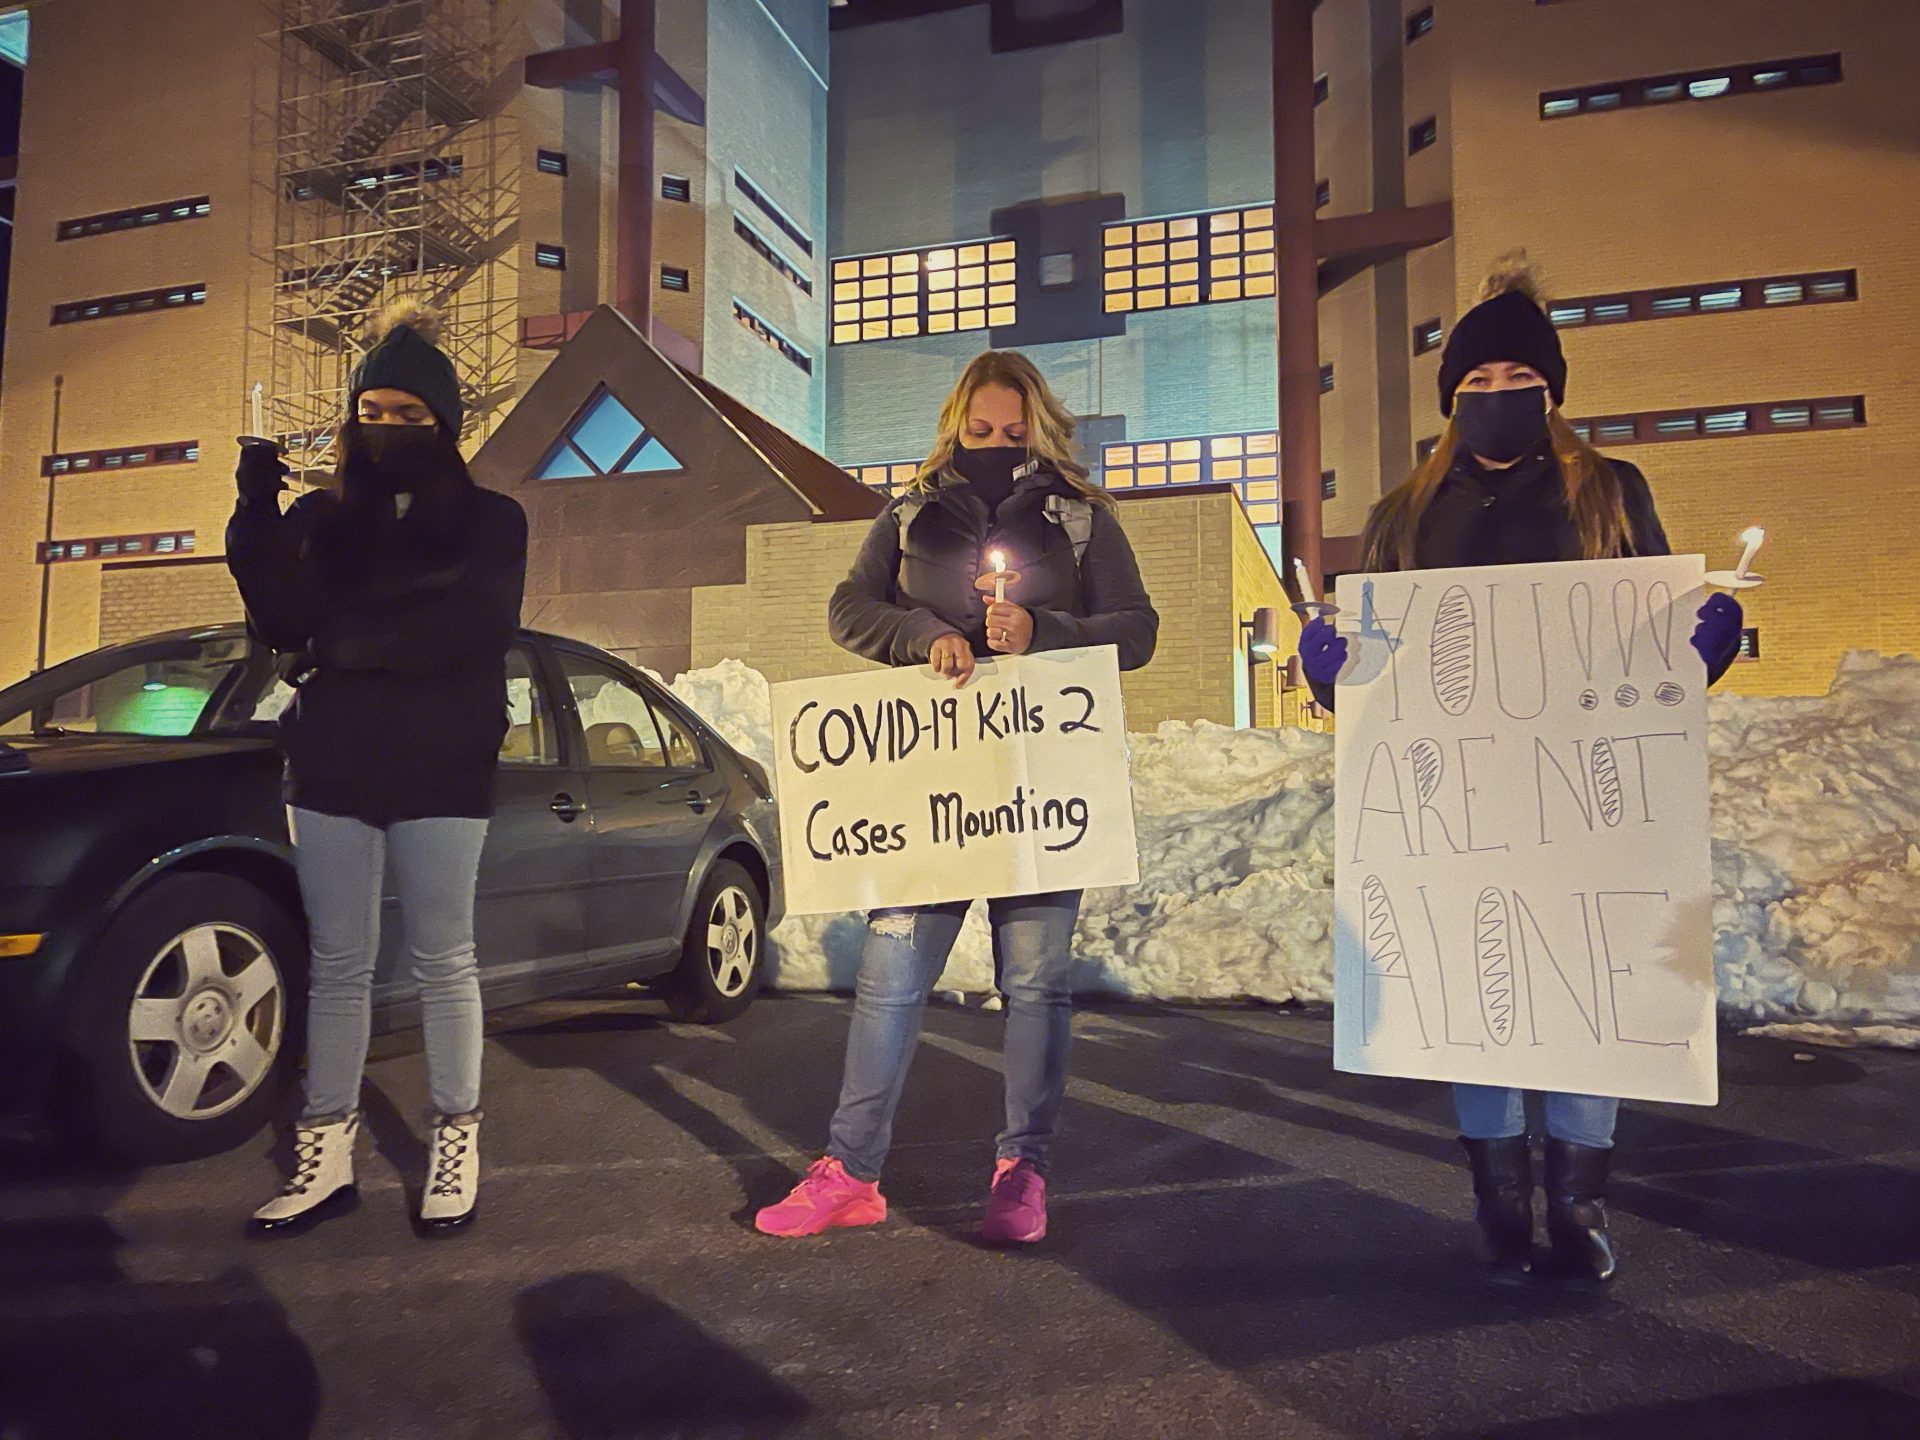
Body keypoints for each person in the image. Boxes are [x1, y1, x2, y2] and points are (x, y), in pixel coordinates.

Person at [1297, 258, 1744, 1283]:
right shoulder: (1406, 512)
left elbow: (1661, 647)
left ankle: (1580, 1204)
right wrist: (1333, 671)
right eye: (1477, 377)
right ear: (1452, 394)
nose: (1497, 392)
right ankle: (1499, 1200)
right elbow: (1380, 667)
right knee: (1477, 999)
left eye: (1516, 373)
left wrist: (1705, 642)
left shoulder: (1609, 493)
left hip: (1589, 784)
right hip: (1457, 798)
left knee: (1588, 983)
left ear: (1552, 387)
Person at [754, 351, 1159, 1244]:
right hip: (927, 791)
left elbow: (1137, 630)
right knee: (891, 979)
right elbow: (847, 608)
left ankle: (1023, 1174)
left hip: (1040, 786)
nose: (996, 445)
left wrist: (1043, 631)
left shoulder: (1081, 518)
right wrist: (923, 634)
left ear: (1041, 428)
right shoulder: (909, 513)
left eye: (1015, 434)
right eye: (981, 431)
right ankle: (851, 1171)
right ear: (954, 424)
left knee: (1036, 984)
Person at [227, 300, 527, 1236]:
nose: (388, 428)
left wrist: (342, 647)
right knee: (341, 963)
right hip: (336, 761)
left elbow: (472, 627)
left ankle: (456, 1135)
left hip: (443, 758)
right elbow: (280, 620)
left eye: (410, 414)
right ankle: (326, 1153)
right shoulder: (324, 516)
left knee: (445, 957)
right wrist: (255, 516)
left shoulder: (492, 520)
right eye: (374, 411)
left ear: (446, 425)